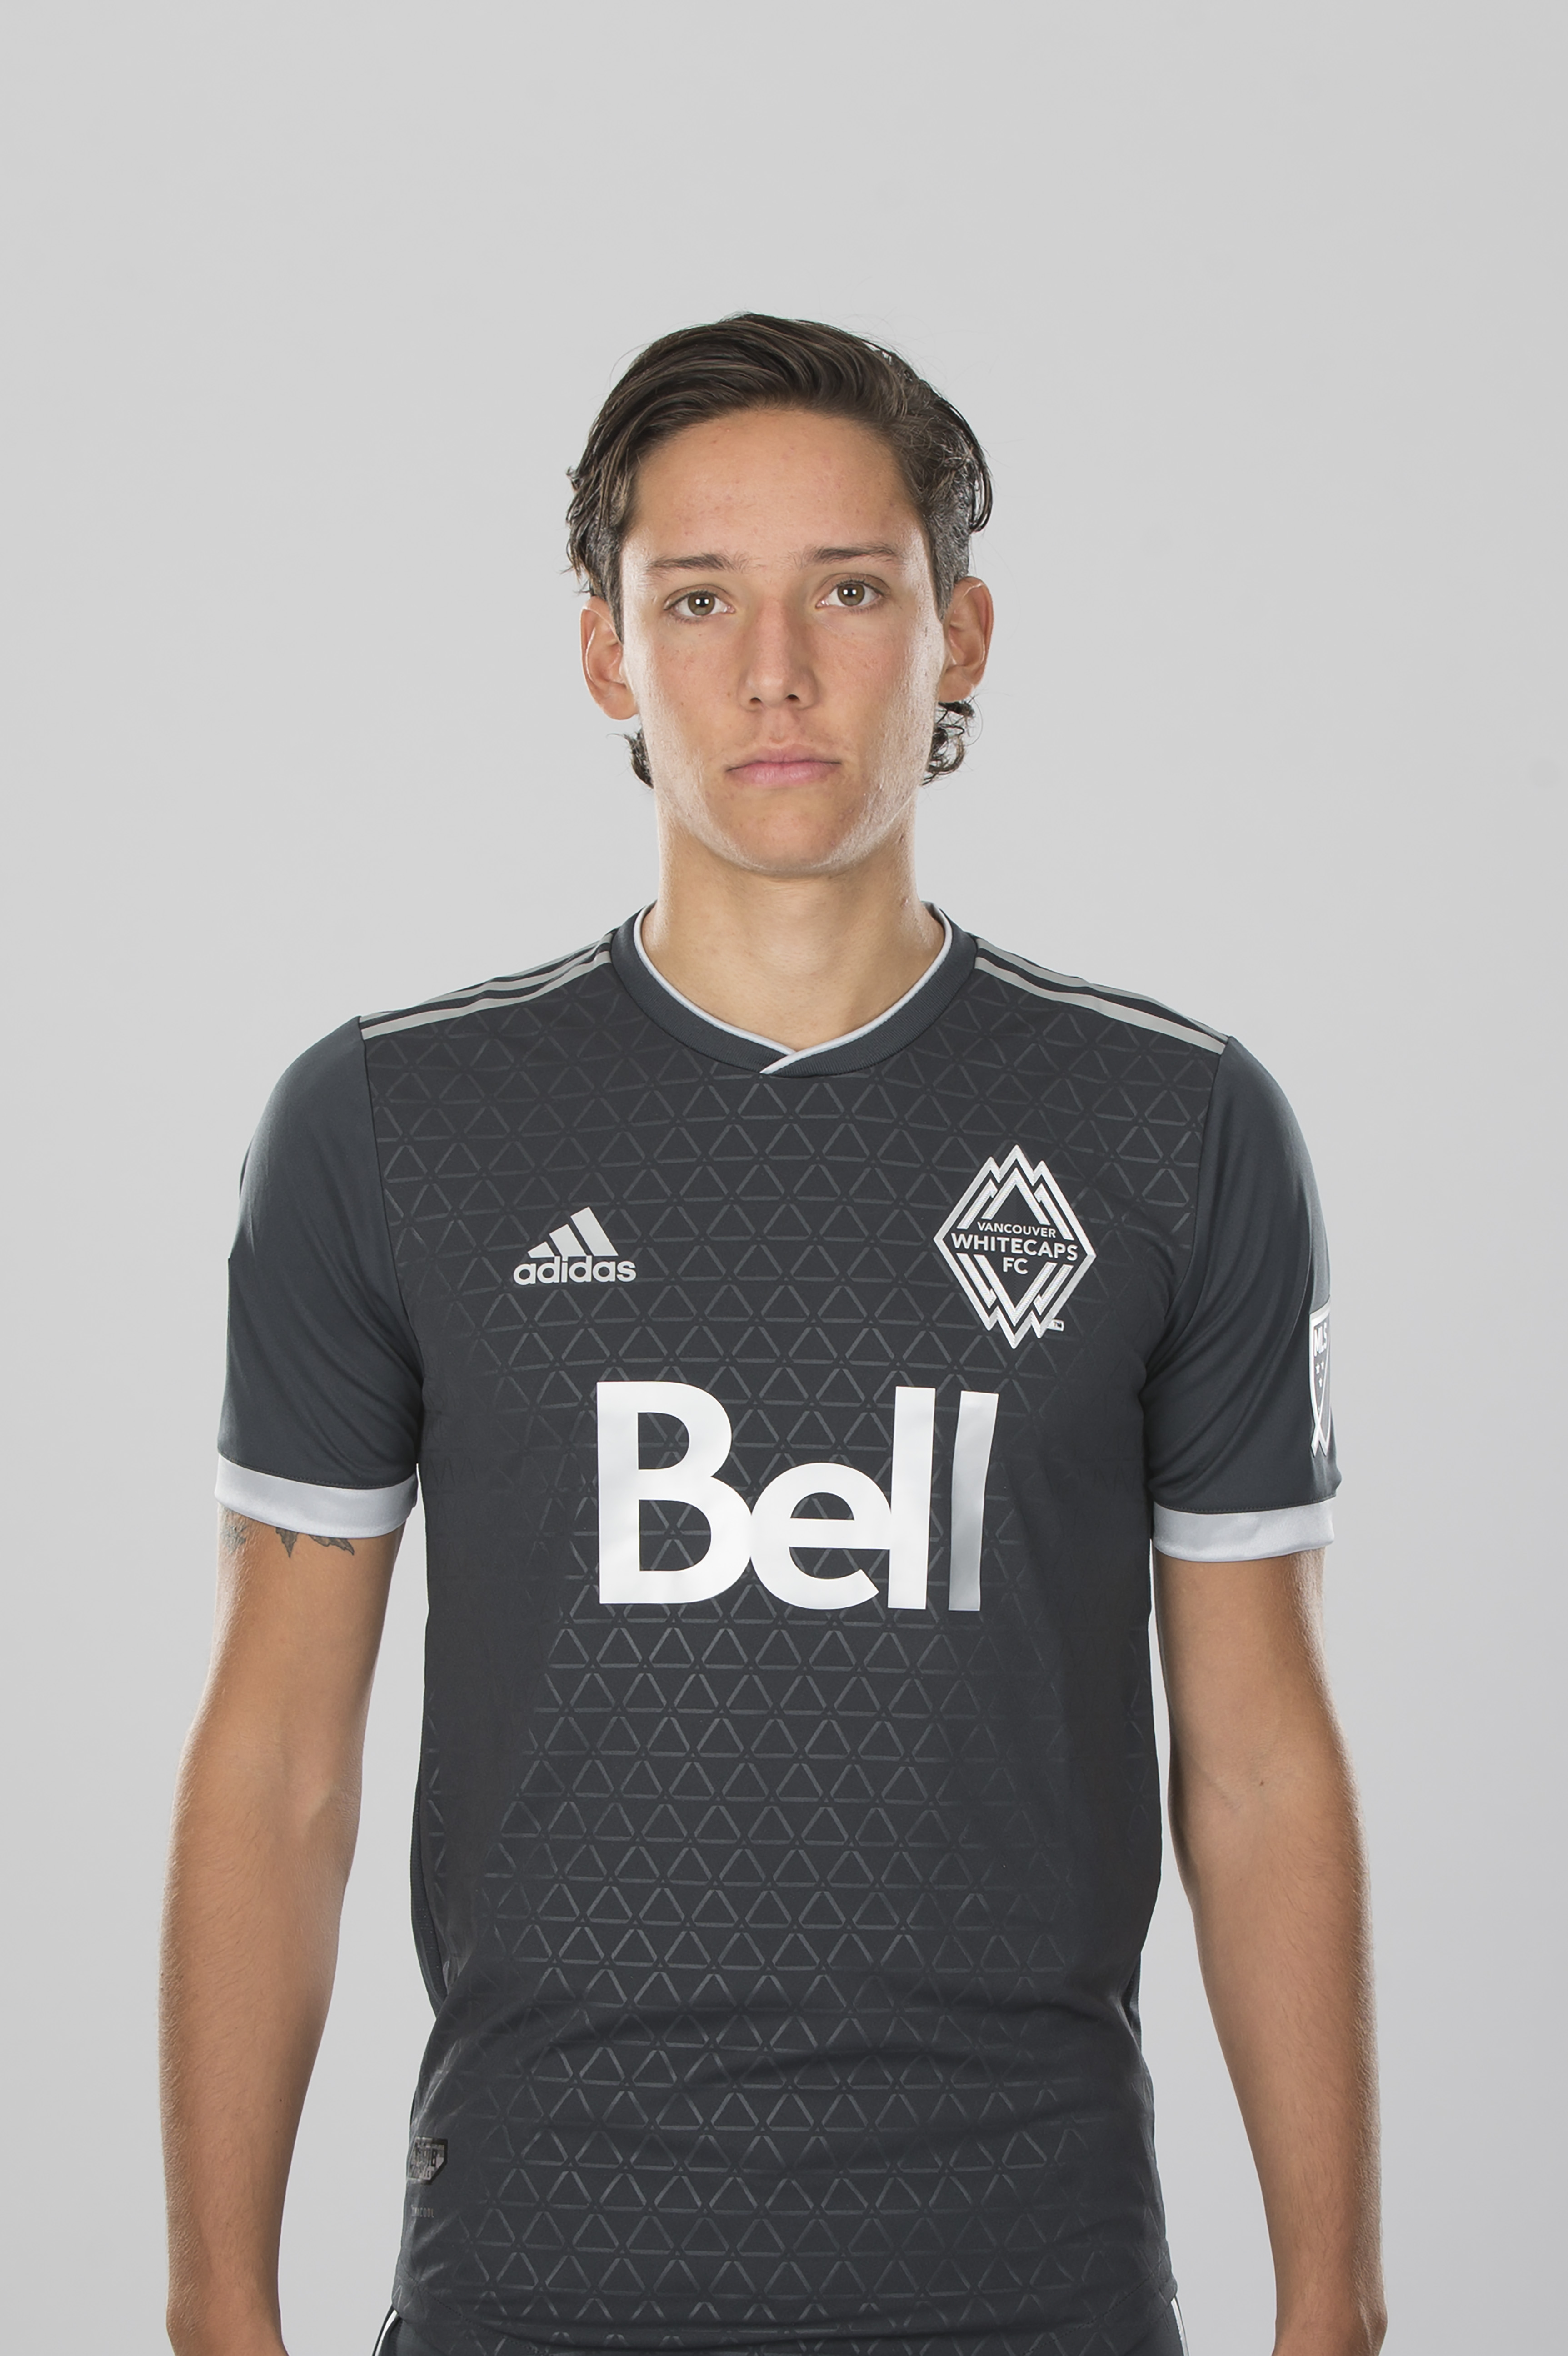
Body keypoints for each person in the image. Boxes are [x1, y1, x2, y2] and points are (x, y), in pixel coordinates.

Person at [160, 314, 1384, 2356]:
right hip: (536, 2276)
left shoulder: (1169, 1130)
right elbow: (280, 1757)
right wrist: (218, 2312)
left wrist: (1331, 2311)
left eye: (850, 590)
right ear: (604, 655)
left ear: (959, 633)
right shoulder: (395, 1126)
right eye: (697, 598)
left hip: (1033, 2280)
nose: (775, 673)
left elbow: (1256, 1762)